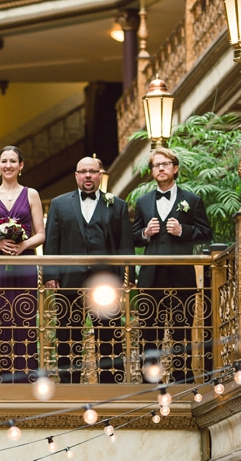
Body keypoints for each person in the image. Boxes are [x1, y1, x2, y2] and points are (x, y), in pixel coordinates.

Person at [44, 157, 133, 383]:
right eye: (82, 171)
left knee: (109, 335)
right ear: (76, 175)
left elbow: (125, 245)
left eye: (92, 172)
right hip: (69, 280)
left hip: (106, 282)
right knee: (67, 335)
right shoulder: (59, 204)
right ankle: (68, 386)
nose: (87, 176)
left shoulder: (117, 205)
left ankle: (111, 385)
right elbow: (52, 243)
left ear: (100, 174)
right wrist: (50, 274)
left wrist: (127, 275)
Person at [131, 147, 211, 382]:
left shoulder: (192, 200)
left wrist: (183, 230)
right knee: (149, 331)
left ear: (175, 168)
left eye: (165, 164)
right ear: (152, 171)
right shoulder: (143, 202)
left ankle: (182, 378)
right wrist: (145, 233)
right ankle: (150, 379)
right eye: (156, 165)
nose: (161, 168)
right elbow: (133, 236)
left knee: (181, 330)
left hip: (181, 276)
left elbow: (206, 232)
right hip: (150, 277)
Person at [0, 145, 45, 383]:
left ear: (21, 165)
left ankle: (24, 379)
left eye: (13, 161)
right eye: (4, 161)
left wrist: (24, 245)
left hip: (24, 265)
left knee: (23, 321)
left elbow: (40, 234)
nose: (8, 165)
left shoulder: (31, 194)